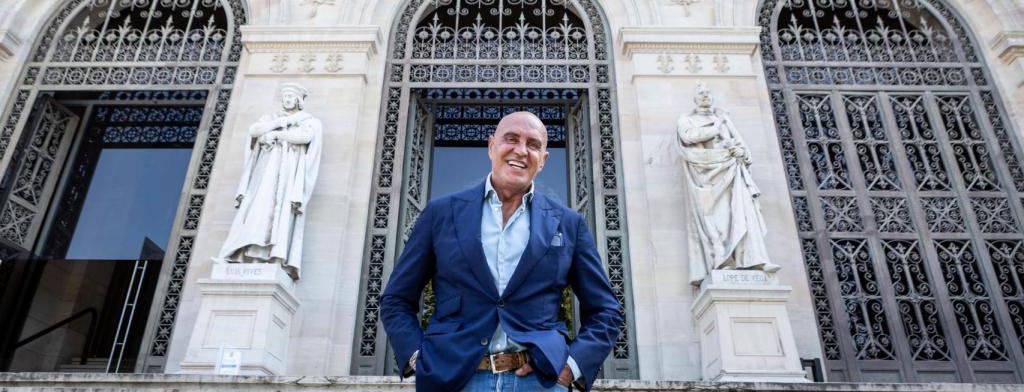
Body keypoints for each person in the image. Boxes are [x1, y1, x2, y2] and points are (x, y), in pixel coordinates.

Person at [381, 111, 621, 392]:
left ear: (543, 160)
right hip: (453, 379)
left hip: (539, 382)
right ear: (491, 146)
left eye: (533, 144)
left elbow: (605, 310)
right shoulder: (440, 214)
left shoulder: (569, 224)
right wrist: (416, 357)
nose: (521, 150)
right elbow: (396, 298)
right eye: (511, 139)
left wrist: (570, 368)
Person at [676, 83, 779, 285]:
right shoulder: (687, 119)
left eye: (708, 93)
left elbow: (742, 146)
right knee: (716, 221)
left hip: (730, 169)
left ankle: (752, 259)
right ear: (695, 99)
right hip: (705, 177)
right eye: (701, 93)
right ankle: (721, 261)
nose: (705, 96)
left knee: (742, 214)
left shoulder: (723, 119)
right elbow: (689, 137)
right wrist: (716, 126)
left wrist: (742, 153)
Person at [219, 83, 322, 280]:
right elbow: (254, 130)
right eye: (285, 96)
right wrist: (275, 126)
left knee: (280, 216)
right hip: (265, 174)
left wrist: (277, 135)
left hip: (287, 178)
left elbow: (306, 136)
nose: (287, 99)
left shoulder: (307, 121)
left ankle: (275, 257)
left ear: (299, 100)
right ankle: (246, 254)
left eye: (291, 96)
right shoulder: (272, 118)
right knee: (258, 211)